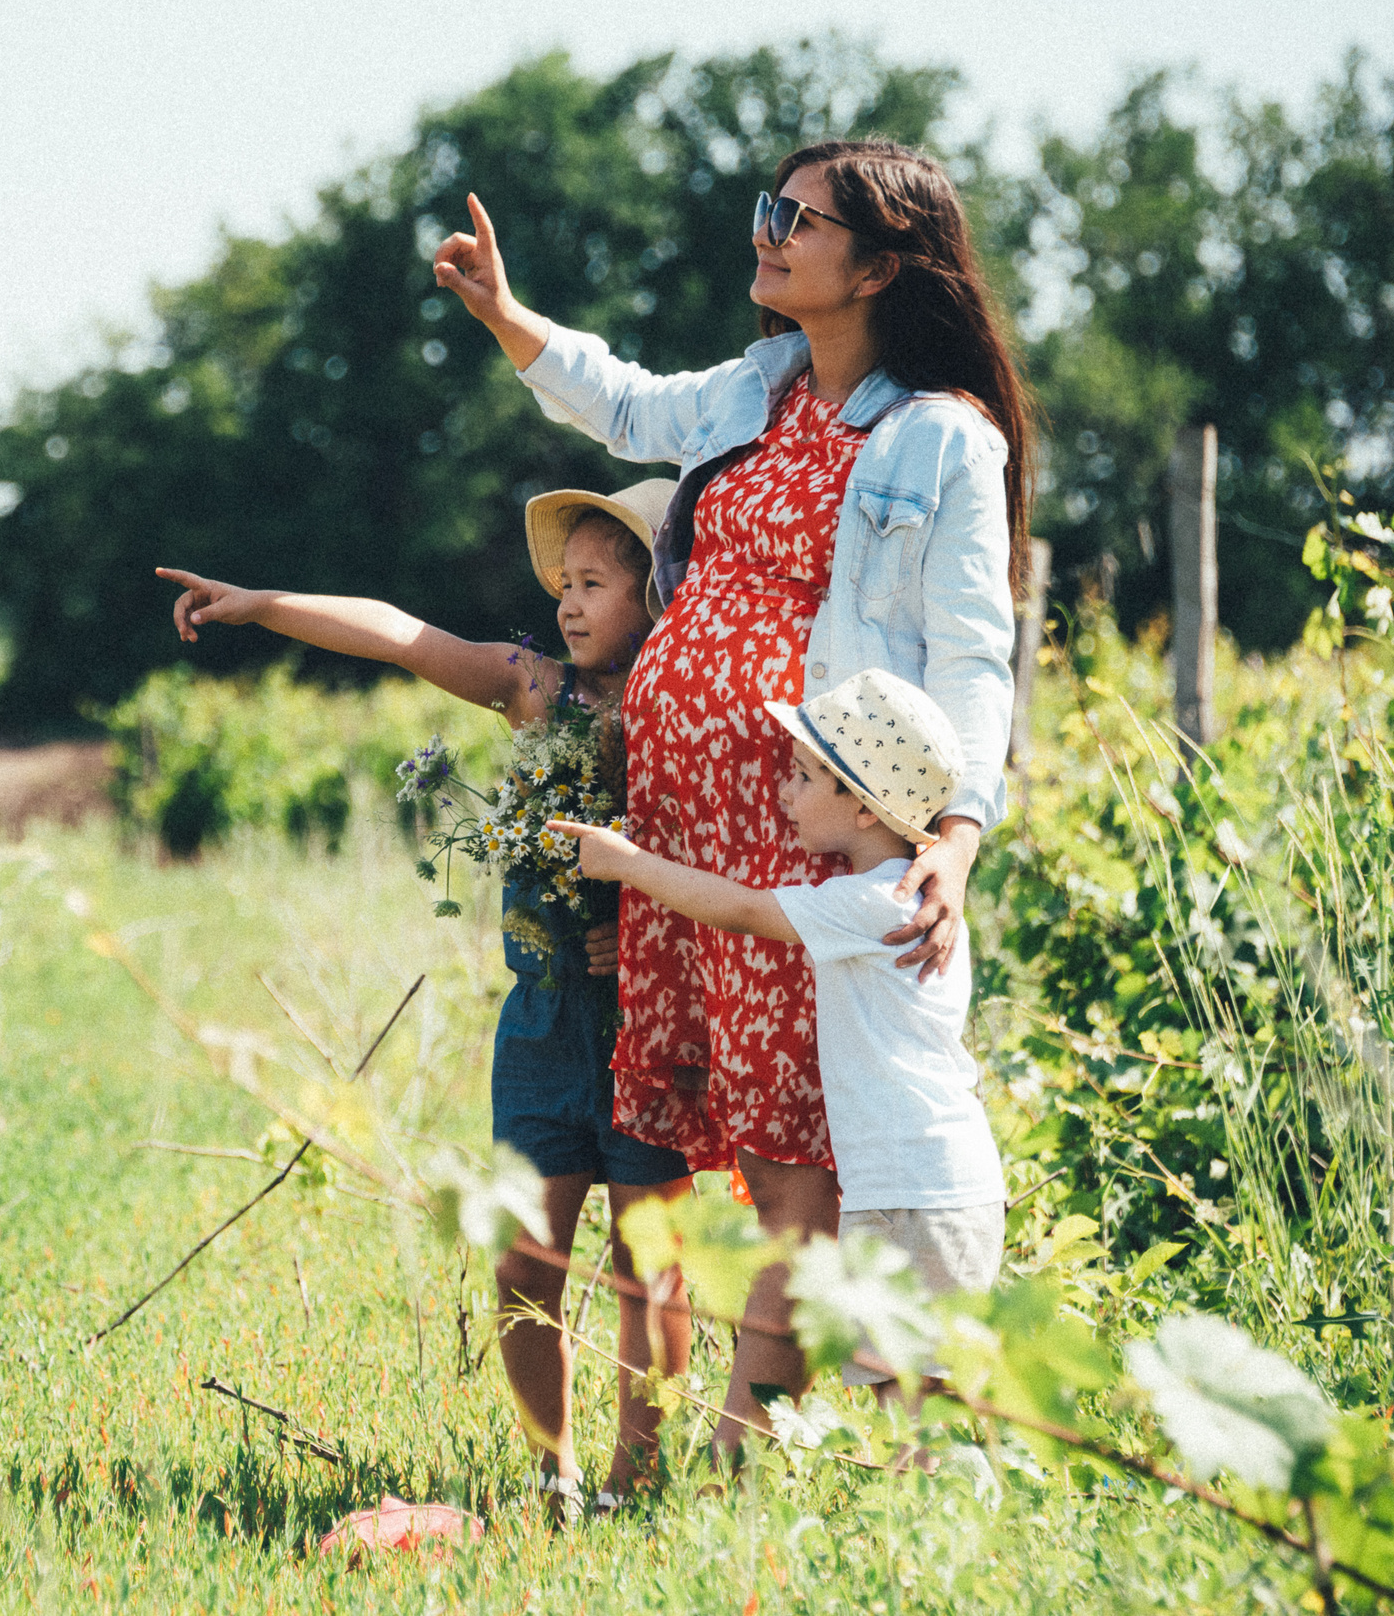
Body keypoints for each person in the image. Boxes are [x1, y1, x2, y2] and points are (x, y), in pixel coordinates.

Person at [432, 138, 1029, 1459]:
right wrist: (507, 317)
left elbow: (975, 652)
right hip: (687, 824)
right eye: (771, 208)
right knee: (742, 1144)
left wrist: (960, 834)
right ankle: (716, 1439)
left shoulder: (939, 438)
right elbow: (629, 408)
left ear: (878, 265)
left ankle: (744, 1443)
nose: (767, 233)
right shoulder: (760, 389)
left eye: (798, 220)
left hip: (797, 825)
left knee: (792, 1156)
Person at [154, 479, 693, 1516]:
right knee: (524, 1261)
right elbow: (403, 634)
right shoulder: (535, 687)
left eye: (595, 582)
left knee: (649, 1267)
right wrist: (263, 603)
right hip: (540, 1026)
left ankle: (639, 1472)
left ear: (658, 587)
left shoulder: (686, 706)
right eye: (563, 583)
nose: (570, 603)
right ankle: (557, 1469)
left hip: (648, 1025)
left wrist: (638, 930)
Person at [553, 669, 1005, 1421]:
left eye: (802, 776)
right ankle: (938, 1531)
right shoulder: (915, 899)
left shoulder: (872, 902)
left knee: (917, 1398)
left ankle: (957, 1529)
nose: (784, 794)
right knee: (918, 1395)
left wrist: (626, 862)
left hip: (910, 1188)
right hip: (935, 1181)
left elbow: (737, 908)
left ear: (862, 805)